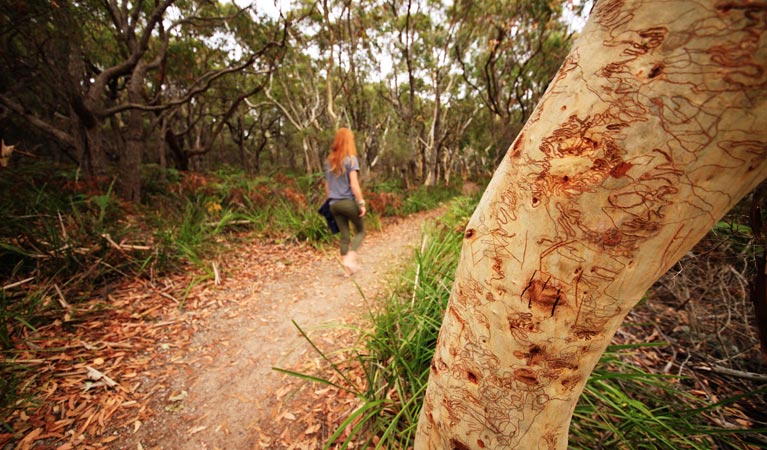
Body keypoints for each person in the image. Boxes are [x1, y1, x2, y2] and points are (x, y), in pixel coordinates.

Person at [324, 128, 366, 275]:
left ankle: (347, 271)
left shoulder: (329, 161)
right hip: (348, 202)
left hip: (333, 204)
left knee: (344, 235)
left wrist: (330, 201)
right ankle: (350, 258)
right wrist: (361, 203)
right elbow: (354, 184)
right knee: (360, 231)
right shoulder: (350, 159)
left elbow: (327, 186)